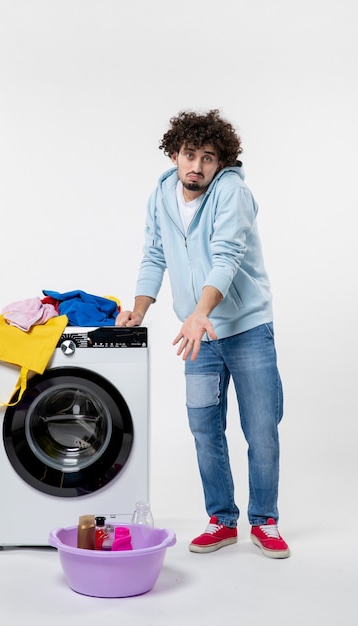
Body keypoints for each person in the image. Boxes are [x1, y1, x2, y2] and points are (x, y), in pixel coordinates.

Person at [116, 109, 290, 559]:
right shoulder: (160, 195)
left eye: (208, 157)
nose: (197, 166)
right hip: (200, 336)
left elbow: (226, 256)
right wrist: (139, 311)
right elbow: (153, 253)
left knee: (261, 429)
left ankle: (265, 521)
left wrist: (198, 313)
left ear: (221, 161)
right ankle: (221, 520)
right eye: (189, 154)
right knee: (204, 428)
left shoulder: (233, 192)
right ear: (174, 155)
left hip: (247, 328)